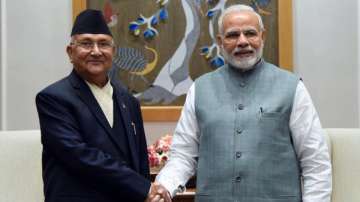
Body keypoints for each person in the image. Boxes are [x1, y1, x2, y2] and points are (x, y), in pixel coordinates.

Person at [155, 4, 332, 202]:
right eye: (232, 35)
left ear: (262, 37)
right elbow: (183, 155)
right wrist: (165, 187)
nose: (242, 42)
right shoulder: (200, 89)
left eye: (250, 33)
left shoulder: (292, 87)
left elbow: (315, 162)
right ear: (220, 42)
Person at [36, 9, 170, 202]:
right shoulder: (54, 99)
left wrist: (147, 192)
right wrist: (144, 188)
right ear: (70, 52)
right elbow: (80, 156)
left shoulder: (129, 101)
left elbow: (139, 161)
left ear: (113, 52)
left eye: (103, 44)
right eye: (86, 43)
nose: (96, 51)